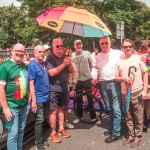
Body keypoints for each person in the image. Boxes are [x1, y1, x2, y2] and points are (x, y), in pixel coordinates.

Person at [115, 39, 148, 148]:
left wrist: (144, 90)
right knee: (128, 115)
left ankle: (137, 136)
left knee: (138, 115)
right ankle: (131, 134)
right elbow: (116, 77)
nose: (127, 48)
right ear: (122, 48)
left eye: (129, 46)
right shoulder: (119, 61)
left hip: (137, 91)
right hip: (125, 93)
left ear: (133, 47)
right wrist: (123, 78)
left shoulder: (138, 58)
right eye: (125, 47)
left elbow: (145, 74)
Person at [92, 36, 123, 143]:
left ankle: (117, 133)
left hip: (114, 83)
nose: (104, 45)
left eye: (106, 43)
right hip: (103, 83)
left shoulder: (118, 53)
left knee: (116, 108)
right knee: (109, 108)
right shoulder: (98, 56)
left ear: (110, 43)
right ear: (99, 45)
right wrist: (95, 78)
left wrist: (140, 58)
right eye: (102, 43)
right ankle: (113, 127)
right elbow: (96, 69)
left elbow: (129, 57)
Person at [0, 43, 30, 150]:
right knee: (13, 134)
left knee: (21, 130)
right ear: (12, 51)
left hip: (24, 105)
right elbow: (1, 89)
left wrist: (29, 96)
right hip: (12, 107)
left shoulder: (24, 65)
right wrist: (6, 108)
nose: (19, 53)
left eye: (22, 51)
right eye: (17, 50)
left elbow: (26, 81)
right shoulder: (5, 66)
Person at [46, 37, 73, 143]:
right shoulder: (50, 58)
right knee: (53, 110)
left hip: (64, 87)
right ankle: (53, 132)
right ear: (53, 47)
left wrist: (69, 62)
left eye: (61, 45)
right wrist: (64, 64)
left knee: (62, 108)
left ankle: (61, 128)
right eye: (57, 46)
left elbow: (71, 71)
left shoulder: (65, 57)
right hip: (54, 88)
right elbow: (51, 72)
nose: (60, 48)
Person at [28, 45, 50, 150]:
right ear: (35, 53)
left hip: (46, 97)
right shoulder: (32, 65)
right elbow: (31, 84)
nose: (42, 53)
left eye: (43, 52)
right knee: (39, 120)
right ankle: (39, 144)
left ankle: (40, 139)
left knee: (43, 118)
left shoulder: (44, 64)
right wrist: (34, 101)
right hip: (38, 97)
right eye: (40, 52)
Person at [72, 39, 96, 124]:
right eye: (76, 44)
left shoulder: (87, 53)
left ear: (82, 45)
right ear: (74, 46)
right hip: (77, 80)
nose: (78, 46)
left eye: (79, 44)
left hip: (86, 78)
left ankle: (93, 116)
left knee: (90, 98)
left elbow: (90, 64)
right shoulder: (72, 56)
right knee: (78, 99)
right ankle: (79, 116)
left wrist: (88, 72)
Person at [63, 47, 78, 129]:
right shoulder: (60, 63)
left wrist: (73, 90)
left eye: (70, 53)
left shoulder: (73, 64)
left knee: (66, 106)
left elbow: (75, 78)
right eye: (67, 54)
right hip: (60, 88)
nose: (69, 55)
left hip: (68, 88)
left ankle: (66, 121)